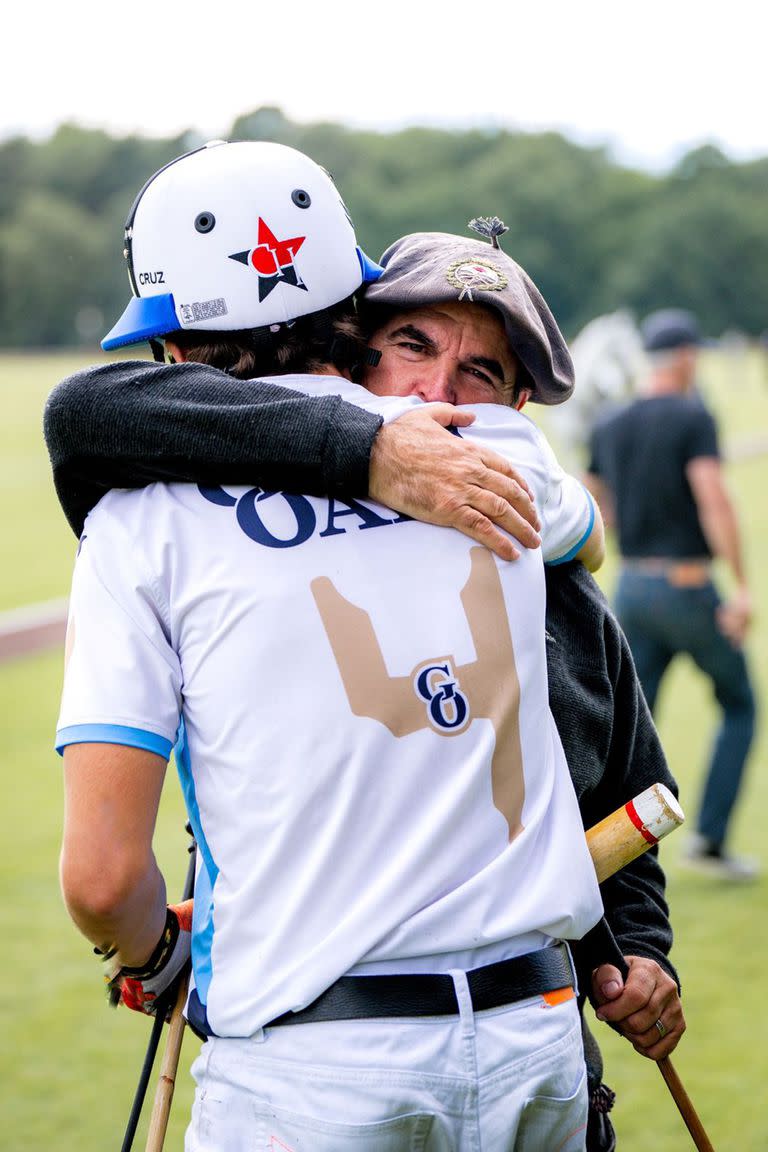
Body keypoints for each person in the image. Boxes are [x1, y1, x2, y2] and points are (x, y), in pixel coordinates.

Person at [50, 141, 683, 1151]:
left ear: (169, 349)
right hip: (535, 1047)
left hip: (313, 1072)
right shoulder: (496, 447)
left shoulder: (139, 518)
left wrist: (157, 962)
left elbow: (98, 880)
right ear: (354, 315)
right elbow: (586, 542)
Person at [586, 308, 758, 881]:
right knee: (739, 703)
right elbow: (713, 498)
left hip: (631, 589)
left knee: (635, 729)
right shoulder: (692, 415)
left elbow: (593, 511)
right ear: (684, 357)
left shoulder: (610, 423)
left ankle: (612, 855)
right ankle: (709, 838)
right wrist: (742, 589)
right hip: (686, 588)